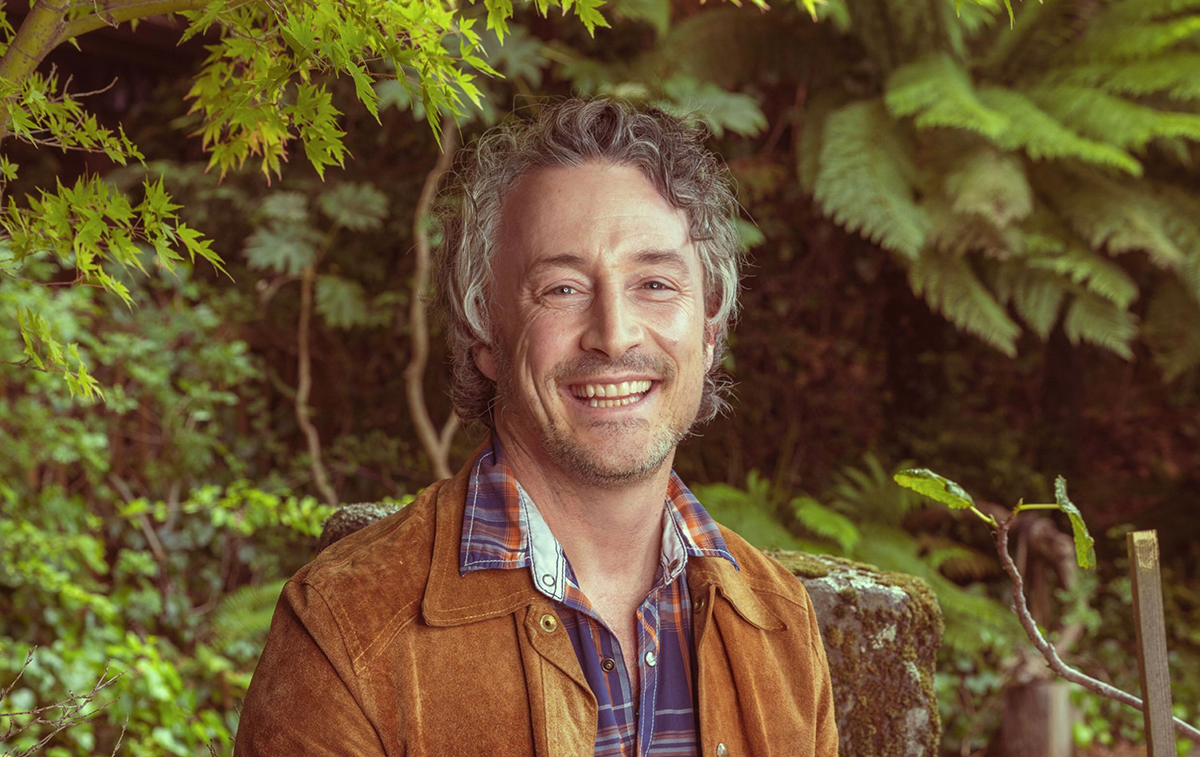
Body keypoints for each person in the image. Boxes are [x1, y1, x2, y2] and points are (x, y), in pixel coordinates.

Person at [234, 98, 838, 757]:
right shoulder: (344, 630)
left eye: (656, 284)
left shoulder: (781, 625)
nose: (615, 335)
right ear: (483, 331)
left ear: (711, 329)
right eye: (562, 289)